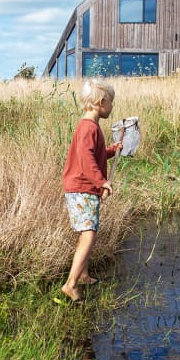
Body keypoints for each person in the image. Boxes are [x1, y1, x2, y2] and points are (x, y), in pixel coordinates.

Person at [61, 80, 122, 302]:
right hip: (82, 188)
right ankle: (71, 284)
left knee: (87, 231)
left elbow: (94, 155)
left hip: (83, 188)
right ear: (100, 102)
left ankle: (84, 274)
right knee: (89, 233)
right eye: (111, 102)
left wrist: (112, 151)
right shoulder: (88, 127)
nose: (112, 106)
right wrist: (101, 182)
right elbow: (86, 160)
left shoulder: (91, 127)